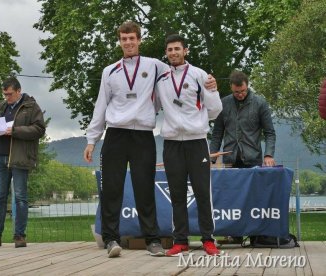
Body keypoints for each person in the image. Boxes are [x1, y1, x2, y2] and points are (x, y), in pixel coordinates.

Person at [83, 21, 217, 258]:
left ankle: (152, 240)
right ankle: (111, 239)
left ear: (139, 40)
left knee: (144, 188)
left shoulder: (156, 67)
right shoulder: (109, 71)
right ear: (120, 41)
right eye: (124, 39)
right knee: (112, 188)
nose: (128, 43)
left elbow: (182, 72)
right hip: (115, 133)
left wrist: (210, 83)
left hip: (143, 135)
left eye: (132, 38)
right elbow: (100, 106)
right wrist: (92, 139)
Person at [155, 34, 222, 256]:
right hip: (172, 143)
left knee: (203, 192)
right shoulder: (161, 78)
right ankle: (180, 240)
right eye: (169, 49)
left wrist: (211, 91)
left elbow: (214, 110)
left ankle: (208, 239)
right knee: (176, 194)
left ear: (186, 50)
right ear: (166, 53)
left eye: (177, 49)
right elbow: (153, 105)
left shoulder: (199, 75)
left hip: (197, 142)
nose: (173, 53)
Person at [209, 70, 276, 244]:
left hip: (253, 158)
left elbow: (270, 133)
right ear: (231, 88)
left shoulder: (260, 103)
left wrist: (268, 154)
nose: (240, 95)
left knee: (253, 198)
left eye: (243, 91)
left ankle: (255, 235)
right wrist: (212, 156)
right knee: (232, 198)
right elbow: (217, 134)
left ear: (247, 85)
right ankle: (234, 235)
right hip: (231, 159)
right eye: (236, 92)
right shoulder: (223, 104)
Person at [0, 76, 46, 248]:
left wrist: (15, 131)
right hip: (0, 157)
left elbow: (39, 129)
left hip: (19, 157)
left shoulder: (31, 106)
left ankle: (19, 236)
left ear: (18, 91)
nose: (6, 98)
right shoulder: (2, 107)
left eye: (9, 94)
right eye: (4, 94)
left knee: (21, 198)